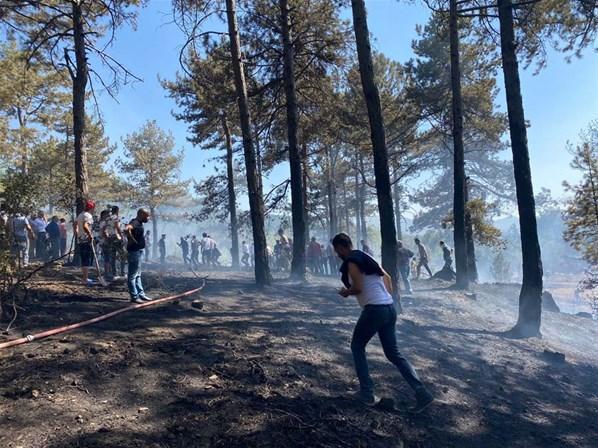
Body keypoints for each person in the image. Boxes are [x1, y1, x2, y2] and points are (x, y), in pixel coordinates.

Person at [332, 232, 433, 412]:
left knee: (357, 346)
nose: (337, 254)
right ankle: (421, 392)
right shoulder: (366, 256)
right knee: (394, 353)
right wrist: (385, 296)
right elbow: (386, 277)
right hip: (388, 307)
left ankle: (367, 393)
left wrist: (345, 292)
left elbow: (358, 287)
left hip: (374, 310)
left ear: (341, 248)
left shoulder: (352, 261)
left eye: (337, 250)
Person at [126, 208, 151, 304]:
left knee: (138, 275)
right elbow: (127, 228)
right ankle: (134, 296)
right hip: (134, 252)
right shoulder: (135, 222)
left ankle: (141, 294)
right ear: (141, 215)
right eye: (147, 216)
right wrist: (131, 239)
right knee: (132, 276)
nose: (148, 218)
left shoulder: (139, 223)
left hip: (138, 251)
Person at [74, 200, 95, 285]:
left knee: (84, 259)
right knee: (86, 259)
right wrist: (90, 235)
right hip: (86, 240)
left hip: (81, 239)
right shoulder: (88, 215)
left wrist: (76, 233)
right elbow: (85, 225)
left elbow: (75, 224)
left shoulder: (81, 214)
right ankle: (85, 279)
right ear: (92, 207)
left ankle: (85, 278)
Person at [107, 206, 125, 279]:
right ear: (117, 210)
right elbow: (117, 227)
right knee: (123, 255)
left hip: (110, 237)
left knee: (113, 256)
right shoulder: (116, 218)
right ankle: (122, 273)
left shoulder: (108, 218)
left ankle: (114, 273)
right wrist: (121, 236)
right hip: (116, 237)